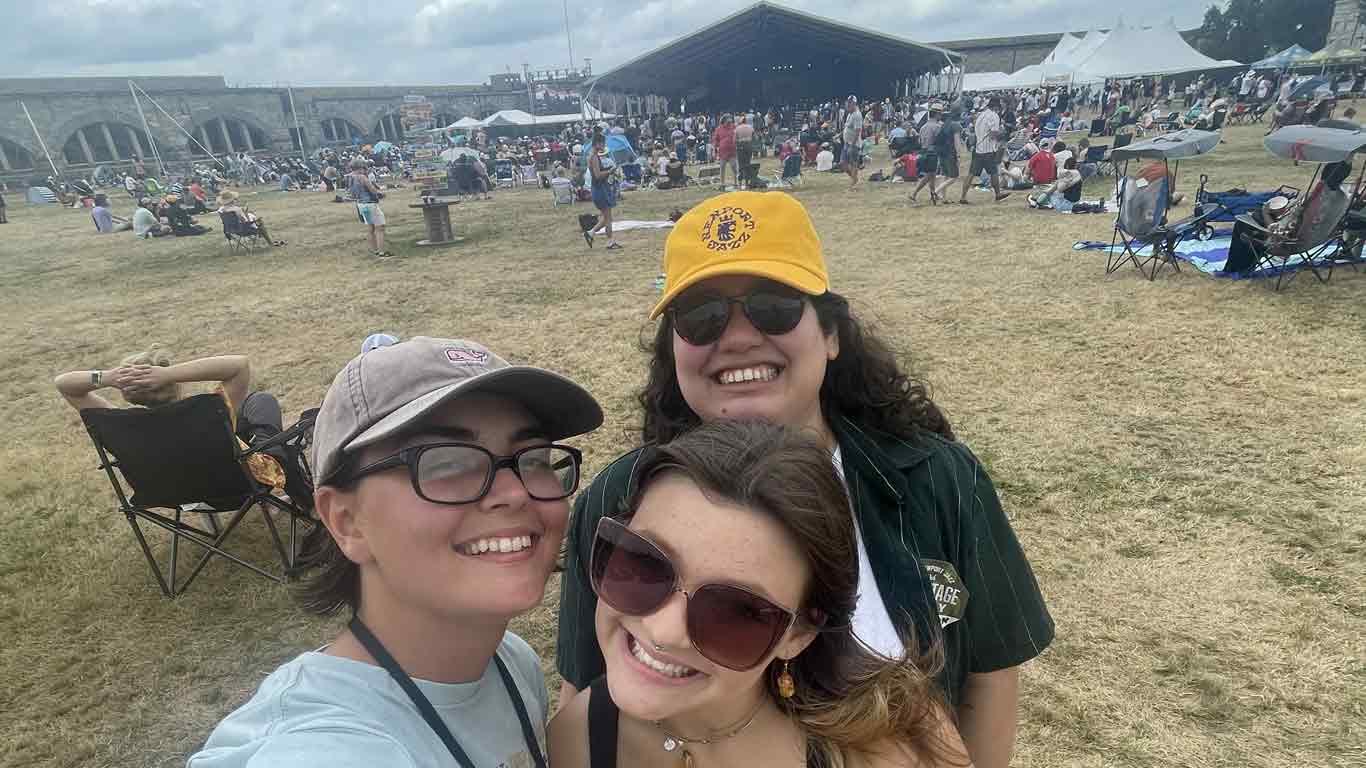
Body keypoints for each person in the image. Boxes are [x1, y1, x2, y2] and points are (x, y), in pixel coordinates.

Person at [556, 191, 1055, 768]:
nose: (738, 337)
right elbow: (589, 680)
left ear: (832, 333)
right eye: (700, 316)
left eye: (774, 306)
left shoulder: (937, 477)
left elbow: (992, 671)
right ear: (674, 350)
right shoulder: (617, 500)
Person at [188, 337, 604, 768]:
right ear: (345, 521)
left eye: (533, 458)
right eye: (446, 464)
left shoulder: (512, 664)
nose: (515, 492)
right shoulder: (325, 749)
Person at [548, 420, 969, 768]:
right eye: (644, 564)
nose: (663, 631)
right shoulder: (575, 741)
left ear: (799, 634)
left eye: (736, 611)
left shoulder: (897, 749)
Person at [54, 348, 287, 493]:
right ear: (175, 385)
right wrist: (168, 373)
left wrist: (107, 377)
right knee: (262, 402)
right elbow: (239, 364)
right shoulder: (210, 412)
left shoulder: (120, 424)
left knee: (251, 412)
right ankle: (304, 498)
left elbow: (63, 383)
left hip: (169, 492)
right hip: (240, 483)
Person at [962, 96, 1009, 204]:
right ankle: (997, 194)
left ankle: (963, 197)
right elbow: (993, 134)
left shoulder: (980, 115)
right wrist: (1002, 133)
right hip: (988, 149)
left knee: (971, 173)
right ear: (997, 106)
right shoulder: (994, 116)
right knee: (993, 172)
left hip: (978, 148)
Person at [348, 158, 390, 258]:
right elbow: (373, 190)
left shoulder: (349, 177)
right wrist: (381, 194)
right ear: (361, 167)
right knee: (380, 227)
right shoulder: (361, 177)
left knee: (370, 228)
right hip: (370, 204)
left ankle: (375, 251)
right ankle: (381, 252)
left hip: (360, 205)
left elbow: (351, 193)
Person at [217, 190, 284, 246]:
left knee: (255, 219)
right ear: (232, 200)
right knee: (260, 223)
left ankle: (261, 237)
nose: (236, 200)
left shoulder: (221, 209)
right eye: (235, 199)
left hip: (230, 230)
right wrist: (246, 213)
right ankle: (269, 242)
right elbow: (245, 222)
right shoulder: (236, 209)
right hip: (243, 230)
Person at [909, 104, 943, 205]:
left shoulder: (923, 127)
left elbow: (919, 141)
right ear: (937, 114)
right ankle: (914, 193)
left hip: (924, 152)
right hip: (933, 152)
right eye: (940, 114)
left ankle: (933, 194)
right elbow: (939, 141)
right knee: (929, 175)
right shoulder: (937, 127)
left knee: (932, 175)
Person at [841, 95, 863, 189]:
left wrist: (852, 145)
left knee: (854, 163)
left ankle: (854, 182)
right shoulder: (850, 114)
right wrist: (839, 135)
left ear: (854, 104)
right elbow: (847, 127)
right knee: (842, 163)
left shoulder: (857, 115)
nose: (847, 105)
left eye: (850, 104)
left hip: (853, 144)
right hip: (847, 143)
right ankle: (854, 178)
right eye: (847, 103)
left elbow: (858, 131)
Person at [712, 114, 738, 190]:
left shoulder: (734, 127)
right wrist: (714, 150)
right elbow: (715, 140)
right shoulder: (718, 129)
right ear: (723, 121)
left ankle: (736, 183)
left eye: (730, 120)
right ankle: (722, 184)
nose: (729, 122)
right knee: (722, 168)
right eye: (728, 121)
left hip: (732, 151)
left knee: (734, 168)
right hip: (722, 152)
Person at [734, 115, 755, 189]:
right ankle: (746, 183)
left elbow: (735, 140)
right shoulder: (750, 127)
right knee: (747, 164)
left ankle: (739, 183)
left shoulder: (737, 128)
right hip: (749, 146)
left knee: (740, 165)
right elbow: (753, 136)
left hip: (740, 146)